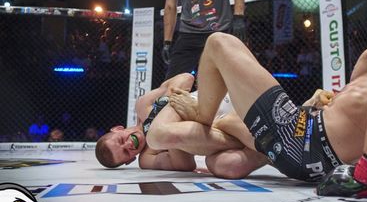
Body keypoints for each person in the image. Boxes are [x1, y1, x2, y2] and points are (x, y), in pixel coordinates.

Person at [194, 0, 367, 198]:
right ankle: (244, 146)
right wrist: (360, 165)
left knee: (218, 42)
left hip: (302, 135)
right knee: (221, 163)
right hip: (320, 168)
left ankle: (200, 119)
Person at [95, 73, 266, 177]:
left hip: (222, 101)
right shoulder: (147, 158)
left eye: (121, 140)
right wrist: (171, 125)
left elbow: (186, 78)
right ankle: (270, 150)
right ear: (129, 160)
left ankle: (267, 139)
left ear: (118, 129)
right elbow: (185, 165)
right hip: (220, 131)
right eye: (126, 152)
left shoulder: (143, 106)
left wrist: (168, 113)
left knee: (160, 135)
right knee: (225, 166)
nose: (128, 145)